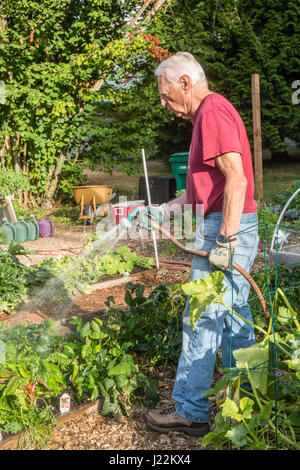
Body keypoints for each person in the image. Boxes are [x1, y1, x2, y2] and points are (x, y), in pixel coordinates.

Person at [142, 52, 259, 437]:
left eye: (165, 94)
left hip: (227, 228)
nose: (163, 103)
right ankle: (246, 407)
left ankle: (191, 412)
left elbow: (237, 181)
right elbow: (203, 194)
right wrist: (163, 210)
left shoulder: (211, 111)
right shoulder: (209, 114)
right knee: (232, 319)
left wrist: (224, 240)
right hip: (230, 222)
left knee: (202, 320)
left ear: (186, 84)